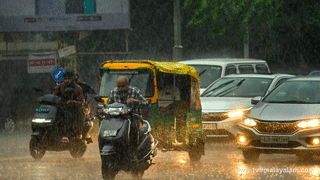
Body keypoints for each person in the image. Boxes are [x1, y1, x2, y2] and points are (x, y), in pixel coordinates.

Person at [106, 76, 149, 159]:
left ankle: (133, 152)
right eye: (118, 86)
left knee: (132, 128)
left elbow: (146, 103)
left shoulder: (134, 91)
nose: (120, 88)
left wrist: (136, 101)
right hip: (117, 119)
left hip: (133, 118)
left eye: (122, 86)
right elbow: (107, 104)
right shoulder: (113, 92)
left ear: (127, 85)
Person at [53, 70, 85, 139]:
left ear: (72, 79)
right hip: (61, 108)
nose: (67, 80)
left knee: (81, 112)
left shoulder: (78, 88)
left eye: (69, 79)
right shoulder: (60, 87)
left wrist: (73, 102)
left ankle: (78, 132)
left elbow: (82, 101)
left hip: (74, 109)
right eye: (65, 79)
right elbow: (53, 96)